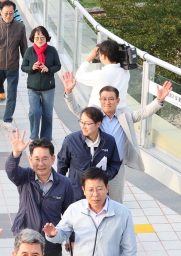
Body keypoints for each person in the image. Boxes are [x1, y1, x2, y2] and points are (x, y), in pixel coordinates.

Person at [62, 73, 172, 202]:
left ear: (117, 101)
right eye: (104, 99)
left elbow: (142, 113)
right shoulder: (94, 115)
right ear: (100, 100)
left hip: (115, 166)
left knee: (115, 201)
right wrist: (69, 92)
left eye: (111, 99)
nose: (107, 102)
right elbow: (77, 109)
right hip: (93, 164)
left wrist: (158, 100)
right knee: (89, 200)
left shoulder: (124, 115)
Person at [6, 130, 75, 256]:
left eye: (45, 159)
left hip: (50, 243)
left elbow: (70, 215)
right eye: (36, 159)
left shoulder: (65, 183)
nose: (41, 163)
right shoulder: (25, 177)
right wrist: (16, 154)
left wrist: (71, 239)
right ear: (30, 159)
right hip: (25, 241)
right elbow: (11, 171)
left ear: (53, 159)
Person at [57, 106, 121, 200]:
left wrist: (106, 175)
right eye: (81, 122)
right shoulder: (70, 140)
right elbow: (62, 165)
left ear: (98, 124)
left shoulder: (109, 141)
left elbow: (115, 163)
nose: (83, 126)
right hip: (76, 192)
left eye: (87, 123)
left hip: (98, 193)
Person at [21, 26, 61, 142]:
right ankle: (34, 136)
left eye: (42, 37)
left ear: (46, 38)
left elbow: (58, 66)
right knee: (34, 111)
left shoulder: (52, 50)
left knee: (47, 114)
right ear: (33, 38)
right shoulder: (29, 51)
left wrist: (48, 69)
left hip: (48, 87)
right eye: (37, 37)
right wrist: (32, 68)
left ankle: (46, 137)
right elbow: (23, 67)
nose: (39, 39)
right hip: (32, 87)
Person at [74, 40, 130, 107]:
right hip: (119, 112)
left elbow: (78, 76)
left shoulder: (100, 75)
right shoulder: (125, 72)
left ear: (104, 56)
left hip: (98, 113)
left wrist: (89, 58)